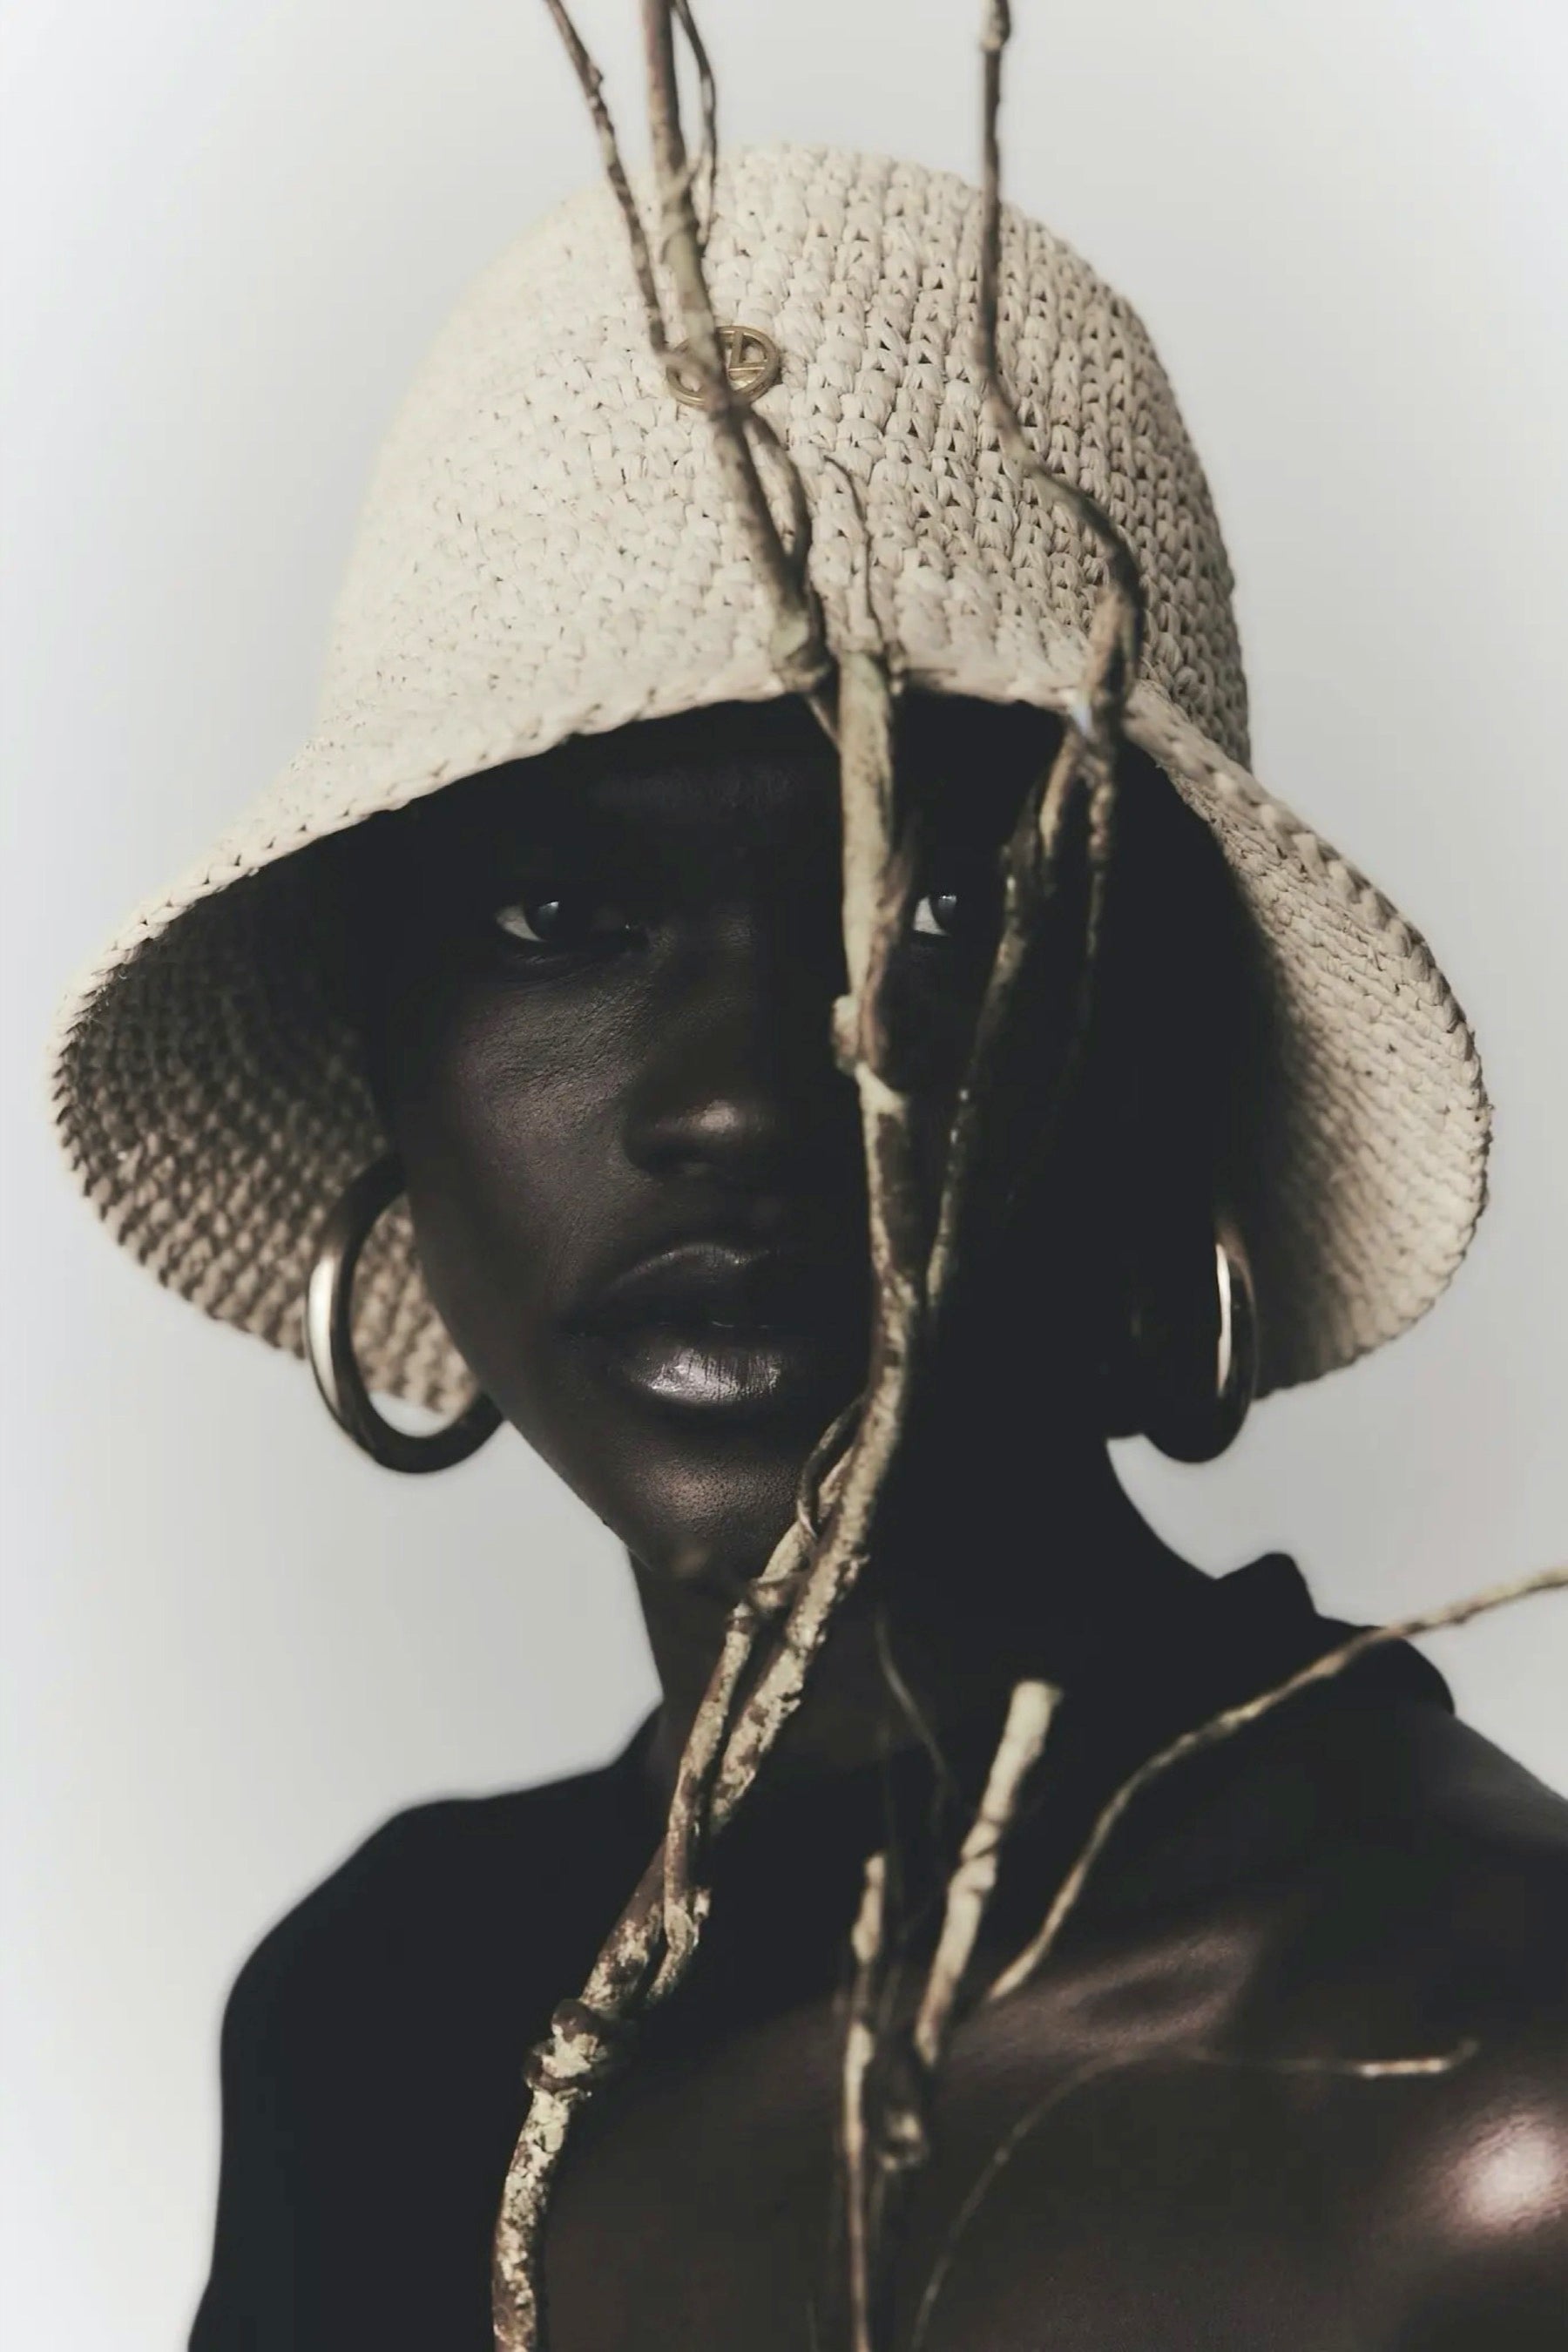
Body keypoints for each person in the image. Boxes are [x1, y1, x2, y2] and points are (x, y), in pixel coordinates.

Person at [51, 146, 1567, 2350]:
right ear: (386, 1067)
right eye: (560, 913)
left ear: (1164, 1054)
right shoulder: (376, 2026)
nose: (743, 1106)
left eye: (934, 905)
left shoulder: (1481, 2118)